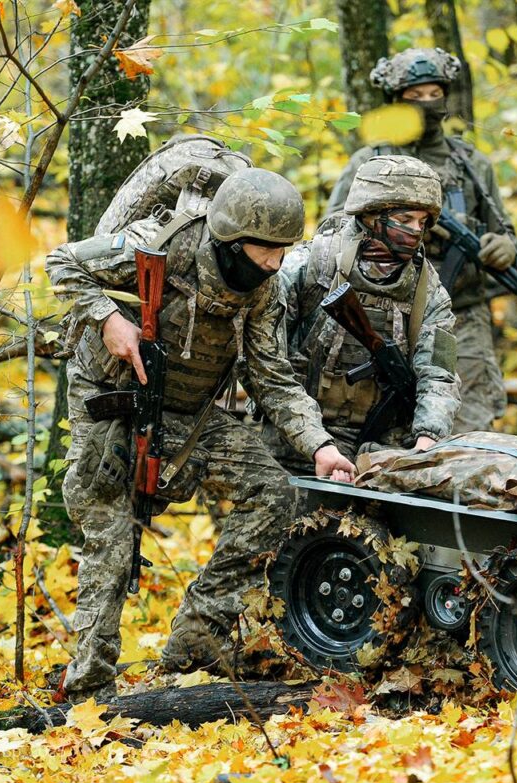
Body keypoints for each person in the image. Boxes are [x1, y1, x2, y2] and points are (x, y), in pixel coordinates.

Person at [47, 168, 356, 696]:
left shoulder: (262, 289)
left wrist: (320, 445)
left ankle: (195, 643)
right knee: (112, 536)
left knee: (273, 493)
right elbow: (62, 261)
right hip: (116, 405)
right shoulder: (161, 245)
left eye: (283, 251)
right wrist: (106, 319)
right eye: (266, 251)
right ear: (233, 239)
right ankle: (87, 687)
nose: (275, 264)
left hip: (192, 414)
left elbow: (271, 377)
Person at [326, 47, 517, 433]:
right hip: (379, 313)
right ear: (396, 102)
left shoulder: (472, 165)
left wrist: (506, 247)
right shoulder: (370, 162)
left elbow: (508, 236)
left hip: (460, 317)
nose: (427, 105)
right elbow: (330, 235)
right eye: (415, 97)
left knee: (467, 424)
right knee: (373, 423)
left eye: (435, 95)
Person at [263, 154, 460, 476]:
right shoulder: (311, 265)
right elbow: (265, 357)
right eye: (406, 218)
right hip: (294, 438)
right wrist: (314, 441)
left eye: (423, 223)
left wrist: (426, 439)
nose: (415, 230)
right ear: (371, 214)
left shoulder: (429, 291)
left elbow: (439, 374)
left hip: (383, 448)